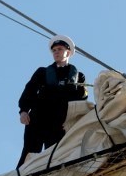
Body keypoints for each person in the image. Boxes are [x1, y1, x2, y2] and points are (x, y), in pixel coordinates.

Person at [17, 34, 88, 168]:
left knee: (56, 156)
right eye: (54, 50)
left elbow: (83, 99)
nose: (56, 52)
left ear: (68, 52)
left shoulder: (79, 76)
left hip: (60, 123)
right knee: (29, 154)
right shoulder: (42, 72)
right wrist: (23, 111)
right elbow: (29, 91)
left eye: (60, 49)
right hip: (38, 119)